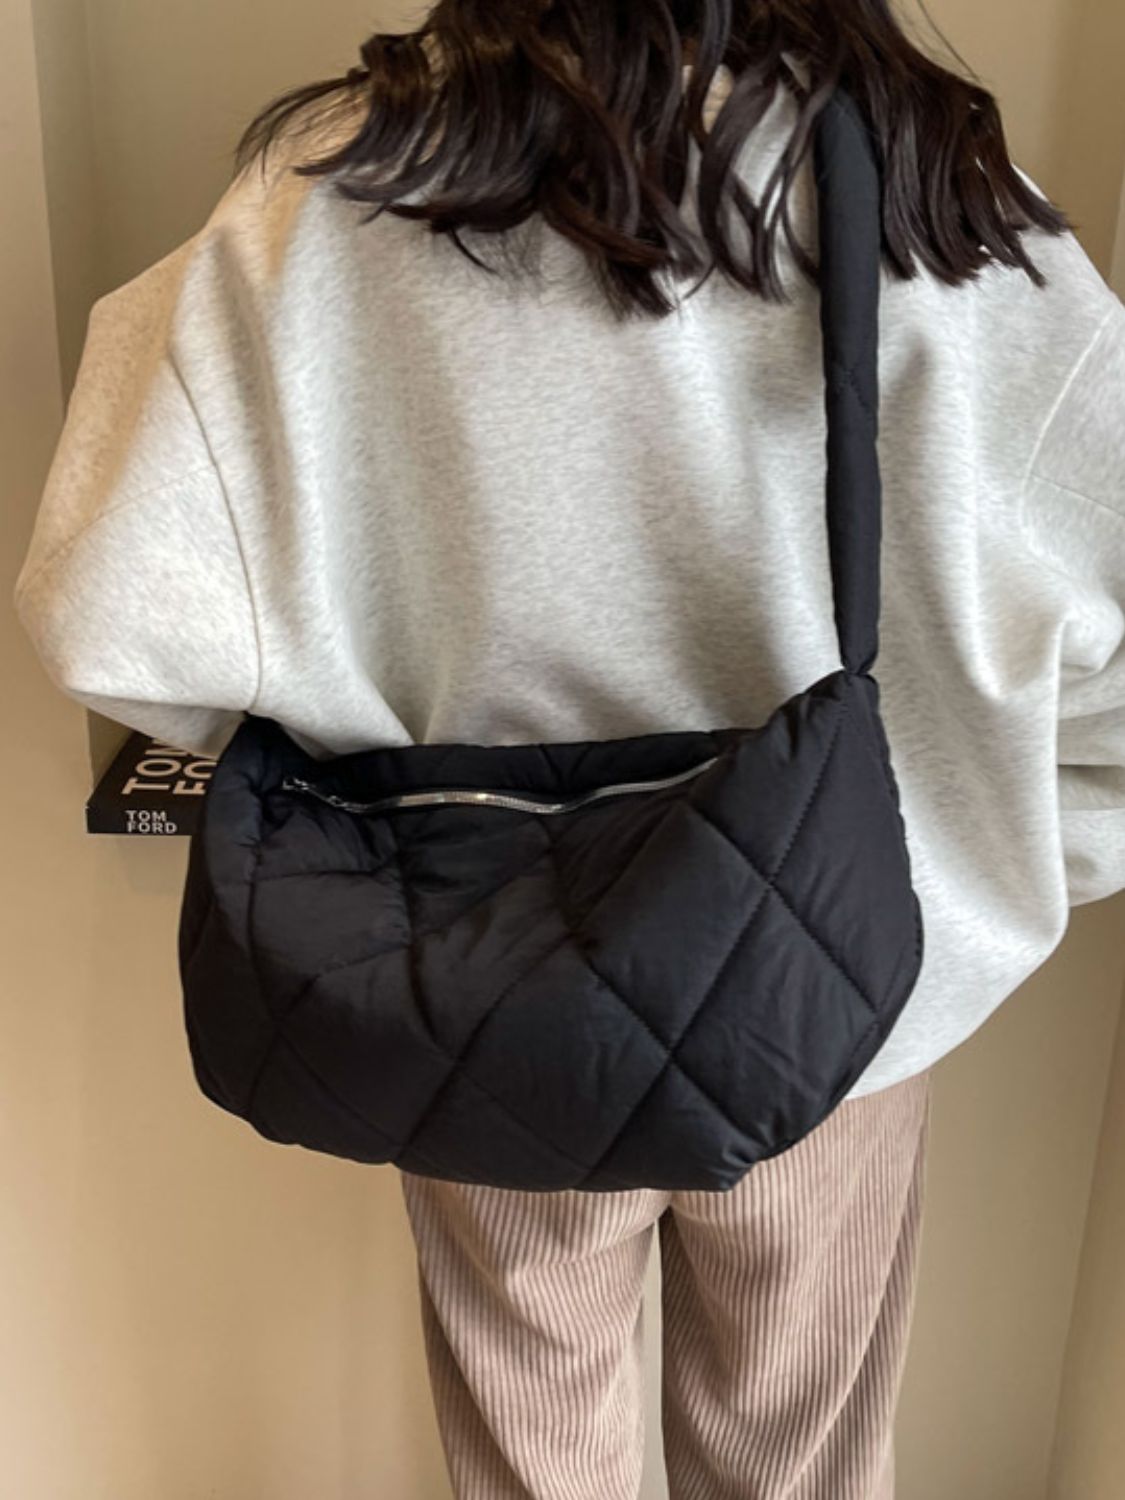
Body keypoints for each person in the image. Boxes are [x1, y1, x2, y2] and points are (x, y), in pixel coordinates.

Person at [13, 2, 1125, 1496]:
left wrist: (342, 768)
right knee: (797, 1468)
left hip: (477, 975)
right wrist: (968, 880)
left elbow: (106, 618)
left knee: (533, 1464)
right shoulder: (946, 206)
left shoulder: (330, 195)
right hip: (837, 1013)